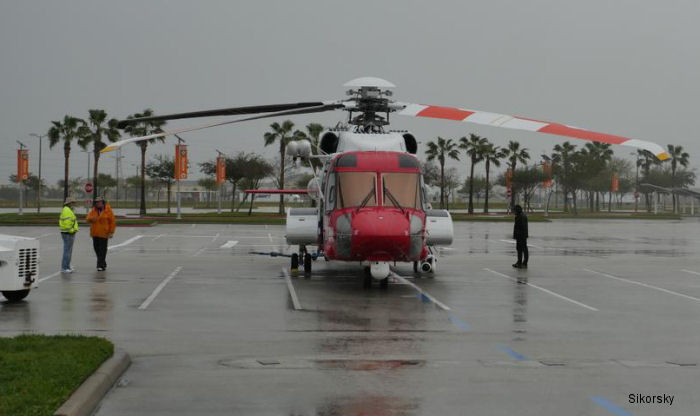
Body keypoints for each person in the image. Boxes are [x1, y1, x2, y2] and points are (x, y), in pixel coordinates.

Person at [86, 196, 116, 271]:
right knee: (96, 249)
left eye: (99, 202)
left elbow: (112, 222)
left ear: (103, 203)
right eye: (96, 202)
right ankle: (103, 263)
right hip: (95, 233)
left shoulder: (108, 210)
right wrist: (91, 219)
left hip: (104, 233)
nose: (98, 203)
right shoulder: (93, 210)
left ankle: (99, 265)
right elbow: (87, 218)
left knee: (102, 250)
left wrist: (111, 232)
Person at [59, 196, 79, 273]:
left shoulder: (68, 210)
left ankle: (67, 266)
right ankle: (65, 267)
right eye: (73, 202)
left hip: (68, 232)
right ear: (69, 203)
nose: (74, 204)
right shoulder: (67, 210)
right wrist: (72, 230)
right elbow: (67, 224)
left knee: (68, 251)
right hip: (68, 233)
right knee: (67, 251)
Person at [512, 204, 528, 269]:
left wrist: (521, 235)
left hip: (522, 236)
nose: (514, 212)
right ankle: (519, 262)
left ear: (517, 210)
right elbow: (516, 227)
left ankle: (524, 263)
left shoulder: (522, 216)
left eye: (515, 210)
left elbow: (523, 227)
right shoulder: (518, 216)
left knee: (524, 249)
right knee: (519, 249)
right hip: (519, 236)